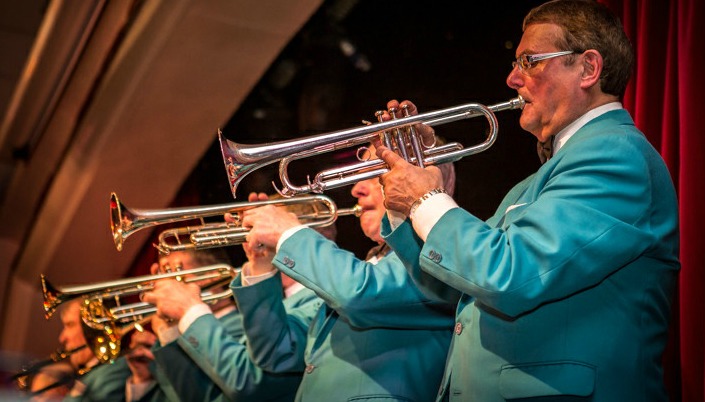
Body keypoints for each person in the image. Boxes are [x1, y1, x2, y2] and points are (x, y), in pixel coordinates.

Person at [375, 1, 680, 401]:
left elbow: (510, 275)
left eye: (529, 61)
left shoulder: (616, 155)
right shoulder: (537, 181)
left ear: (588, 68)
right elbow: (455, 287)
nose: (512, 78)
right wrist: (405, 199)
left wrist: (425, 198)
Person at [236, 155, 457, 401]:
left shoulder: (436, 254)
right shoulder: (365, 266)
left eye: (374, 173)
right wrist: (261, 264)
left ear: (424, 176)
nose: (356, 189)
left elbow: (361, 293)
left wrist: (288, 234)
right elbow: (278, 350)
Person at [142, 243, 319, 401]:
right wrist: (169, 331)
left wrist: (189, 310)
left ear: (212, 275)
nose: (167, 284)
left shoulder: (245, 323)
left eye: (176, 271)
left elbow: (250, 383)